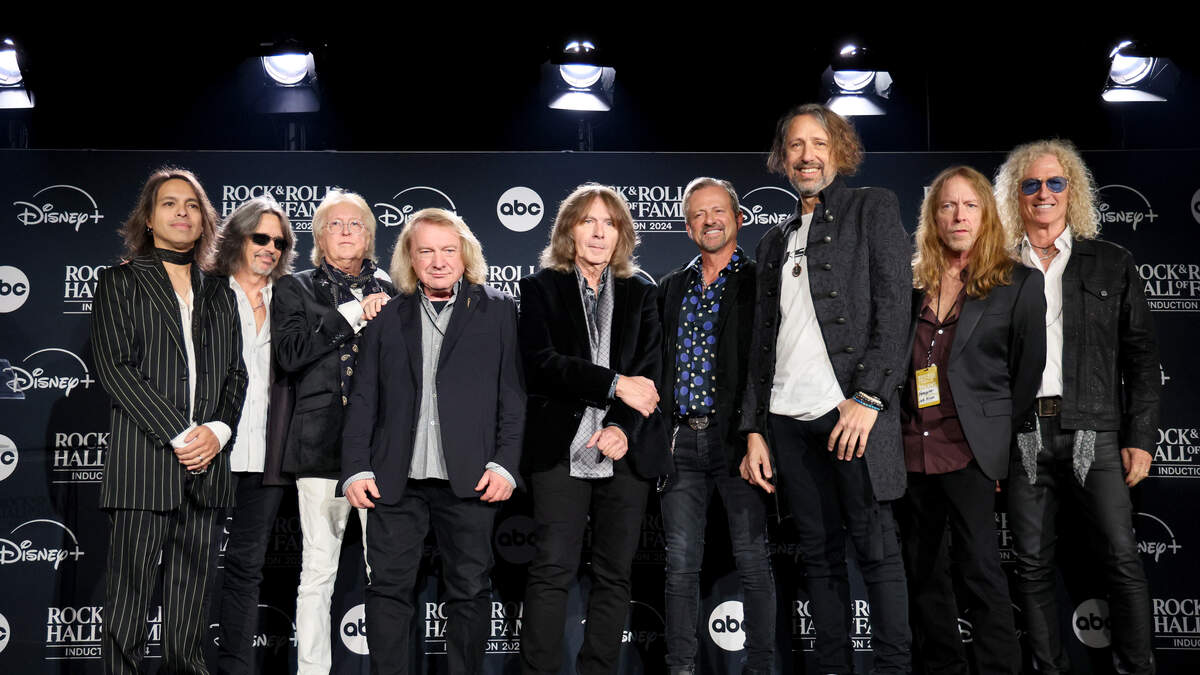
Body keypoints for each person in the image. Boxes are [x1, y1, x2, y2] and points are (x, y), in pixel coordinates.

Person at [740, 103, 912, 674]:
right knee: (818, 558)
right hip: (786, 420)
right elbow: (762, 344)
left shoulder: (872, 208)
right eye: (795, 145)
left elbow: (895, 309)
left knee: (877, 553)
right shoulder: (773, 240)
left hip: (850, 415)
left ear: (839, 151)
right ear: (782, 157)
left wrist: (869, 398)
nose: (807, 156)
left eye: (818, 143)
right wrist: (755, 429)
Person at [996, 139, 1159, 675]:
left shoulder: (1112, 261)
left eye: (1055, 182)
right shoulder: (995, 266)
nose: (1043, 193)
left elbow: (1141, 359)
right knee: (1030, 565)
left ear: (1073, 191)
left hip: (1095, 429)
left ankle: (1136, 669)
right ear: (1016, 194)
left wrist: (1140, 437)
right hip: (1022, 434)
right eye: (1031, 184)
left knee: (1121, 558)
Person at [342, 207, 524, 674]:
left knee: (470, 589)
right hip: (394, 479)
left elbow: (512, 393)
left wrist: (505, 463)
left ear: (465, 254)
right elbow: (364, 397)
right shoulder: (387, 314)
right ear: (410, 258)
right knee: (387, 590)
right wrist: (356, 467)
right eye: (426, 251)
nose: (438, 261)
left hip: (471, 477)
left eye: (448, 250)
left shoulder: (498, 309)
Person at [91, 168, 247, 674]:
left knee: (191, 616)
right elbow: (115, 368)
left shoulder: (221, 291)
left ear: (204, 221)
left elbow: (236, 375)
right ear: (148, 219)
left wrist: (218, 432)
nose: (182, 212)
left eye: (192, 205)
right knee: (128, 606)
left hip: (207, 469)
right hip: (144, 467)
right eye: (169, 203)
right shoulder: (119, 281)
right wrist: (182, 435)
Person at [899, 166, 1045, 675]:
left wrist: (996, 441)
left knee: (980, 569)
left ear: (986, 215)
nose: (958, 216)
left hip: (971, 451)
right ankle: (943, 667)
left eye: (969, 205)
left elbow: (1025, 376)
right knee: (923, 572)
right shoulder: (912, 284)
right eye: (947, 206)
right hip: (912, 447)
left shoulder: (1018, 284)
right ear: (933, 217)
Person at [519, 183, 668, 675]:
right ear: (569, 231)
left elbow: (649, 376)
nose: (600, 232)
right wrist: (613, 384)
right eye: (589, 221)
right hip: (559, 447)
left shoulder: (641, 293)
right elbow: (542, 364)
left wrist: (622, 428)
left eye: (610, 223)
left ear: (622, 234)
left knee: (614, 575)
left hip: (624, 451)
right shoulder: (540, 288)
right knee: (551, 571)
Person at [272, 189, 395, 674]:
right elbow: (289, 355)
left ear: (369, 236)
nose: (346, 232)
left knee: (384, 572)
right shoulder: (294, 288)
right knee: (317, 571)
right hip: (318, 445)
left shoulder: (396, 290)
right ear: (320, 237)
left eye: (356, 224)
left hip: (382, 450)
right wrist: (351, 315)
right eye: (335, 225)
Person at [656, 177, 773, 675]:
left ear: (739, 218)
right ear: (688, 227)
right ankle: (680, 668)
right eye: (699, 214)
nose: (710, 221)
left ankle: (761, 668)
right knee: (680, 565)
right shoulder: (669, 288)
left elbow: (767, 367)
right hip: (680, 442)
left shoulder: (761, 283)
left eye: (718, 211)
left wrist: (755, 431)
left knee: (753, 559)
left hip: (739, 441)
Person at [205, 196, 297, 674]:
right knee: (194, 567)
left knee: (246, 569)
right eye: (261, 238)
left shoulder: (290, 299)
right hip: (209, 450)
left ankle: (235, 668)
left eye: (279, 242)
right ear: (237, 238)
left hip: (267, 455)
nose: (270, 249)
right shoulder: (206, 292)